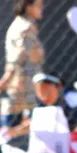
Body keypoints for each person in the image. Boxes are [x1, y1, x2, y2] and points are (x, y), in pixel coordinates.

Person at [0, 0, 43, 132]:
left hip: (21, 89)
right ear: (28, 6)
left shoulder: (20, 25)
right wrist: (4, 81)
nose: (42, 8)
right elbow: (17, 58)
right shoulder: (25, 28)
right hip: (24, 90)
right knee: (14, 132)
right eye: (39, 5)